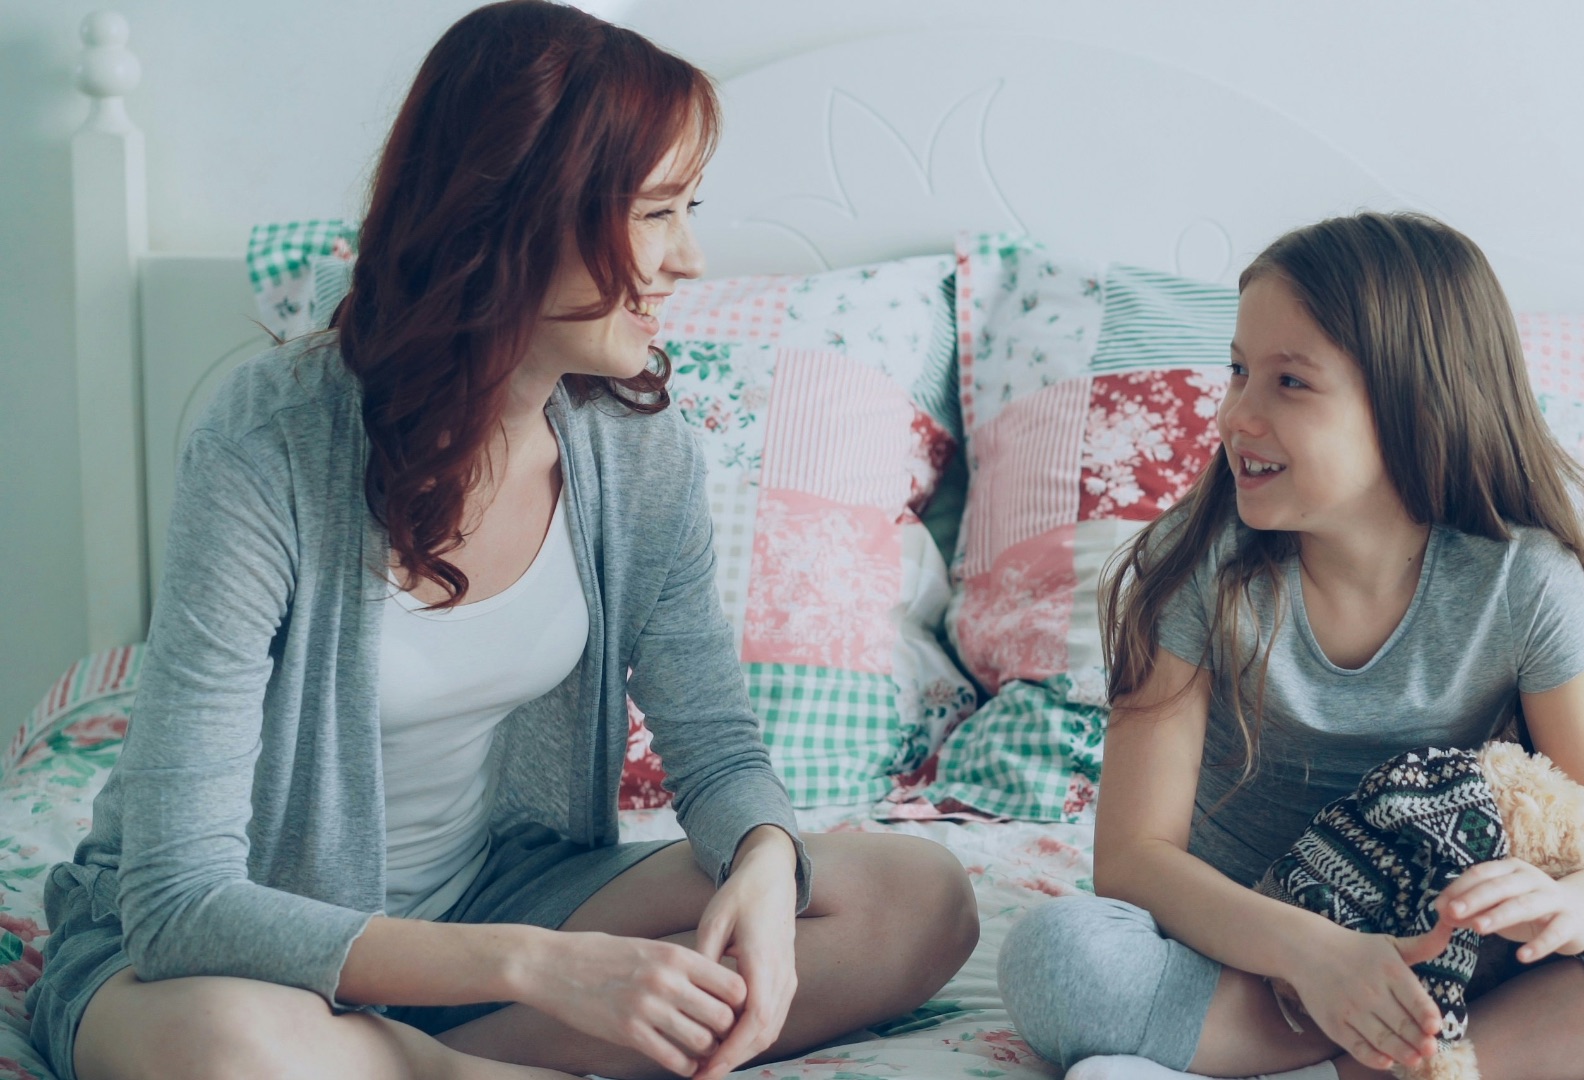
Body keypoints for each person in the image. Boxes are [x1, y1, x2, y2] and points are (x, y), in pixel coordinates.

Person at [28, 4, 978, 1078]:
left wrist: (763, 859)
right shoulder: (269, 443)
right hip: (240, 952)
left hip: (493, 894)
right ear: (515, 212)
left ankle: (405, 1061)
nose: (688, 260)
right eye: (656, 212)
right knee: (227, 1051)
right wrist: (534, 971)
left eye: (686, 210)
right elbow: (181, 902)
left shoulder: (634, 448)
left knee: (918, 898)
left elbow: (714, 746)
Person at [996, 213, 1584, 1080]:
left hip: (1462, 965)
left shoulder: (1524, 581)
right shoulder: (1198, 570)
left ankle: (1413, 1061)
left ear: (1414, 403)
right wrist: (1314, 956)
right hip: (1259, 953)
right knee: (1061, 954)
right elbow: (1133, 860)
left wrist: (1569, 906)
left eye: (1290, 382)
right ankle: (1382, 1050)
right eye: (1239, 371)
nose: (1234, 414)